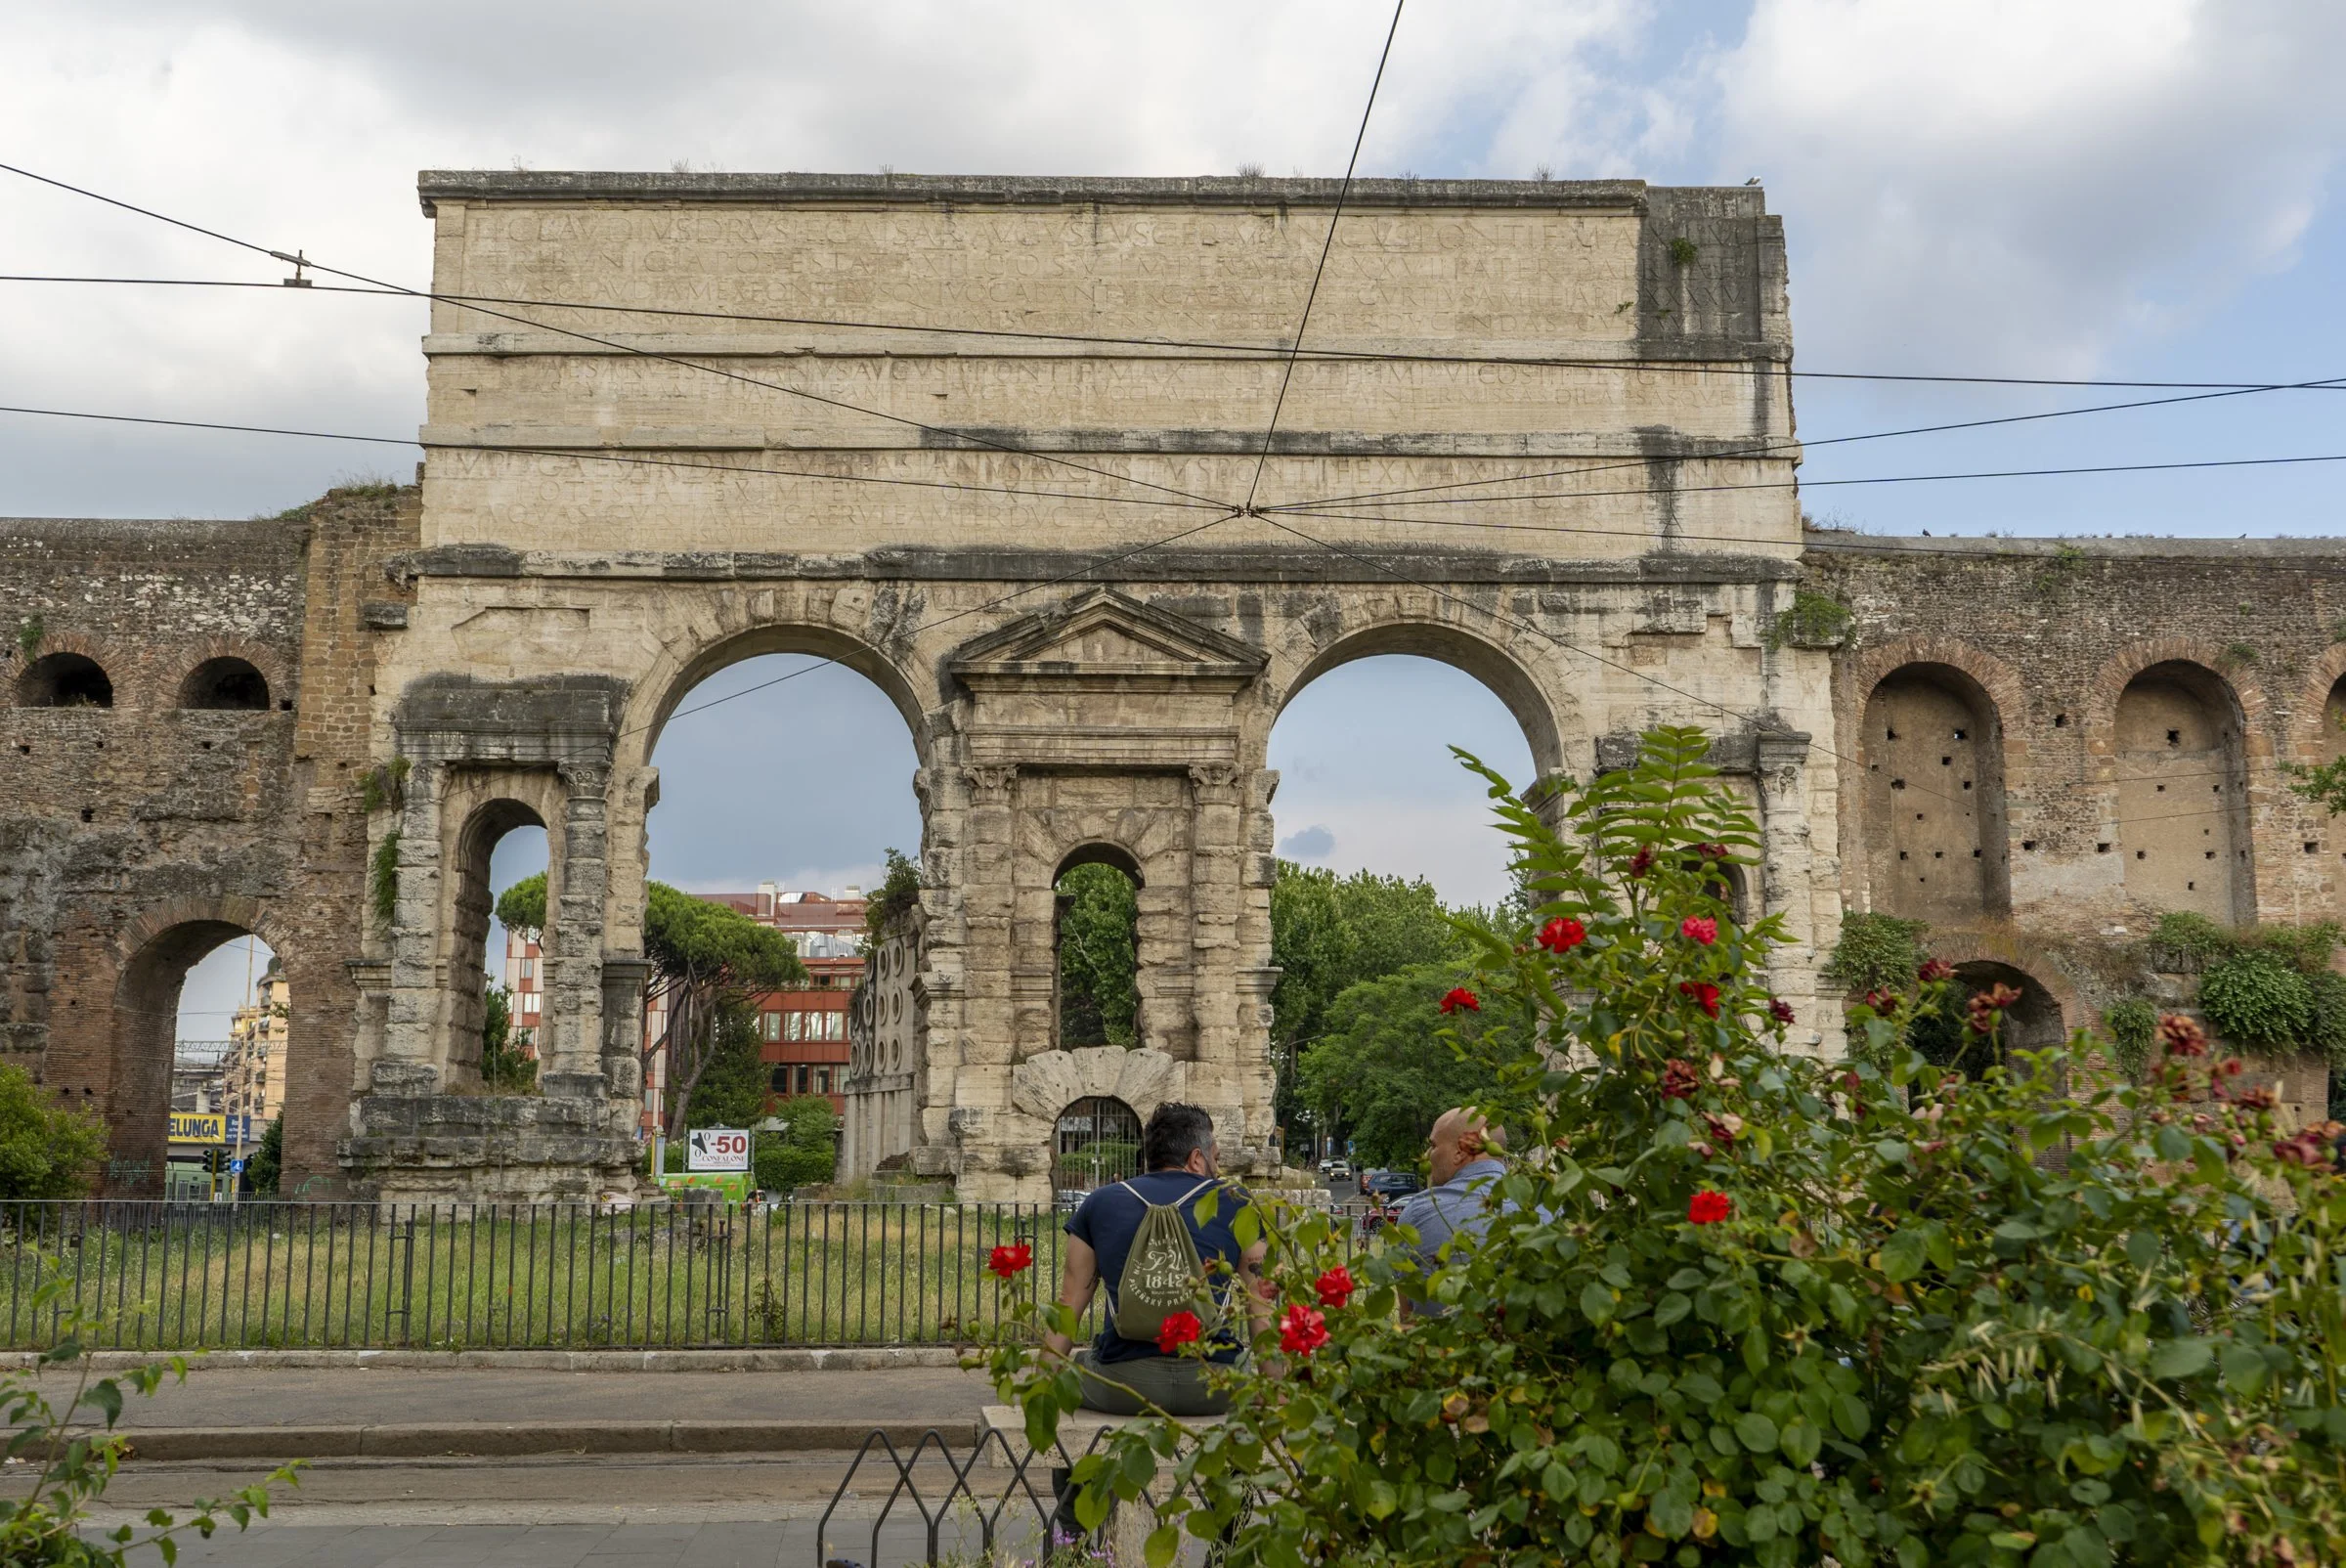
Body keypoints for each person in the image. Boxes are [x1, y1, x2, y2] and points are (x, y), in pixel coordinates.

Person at [1041, 1102, 1269, 1416]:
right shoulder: (1236, 1203)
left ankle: (1068, 1465)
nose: (1218, 1168)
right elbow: (1261, 1305)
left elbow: (1069, 1304)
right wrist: (1276, 1390)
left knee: (1078, 1366)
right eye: (1216, 1158)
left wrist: (1041, 1386)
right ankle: (1237, 1466)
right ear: (1196, 1158)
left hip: (1125, 1384)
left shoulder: (1099, 1203)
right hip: (1216, 1383)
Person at [1393, 1108, 1508, 1317]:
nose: (1428, 1155)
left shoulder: (1420, 1212)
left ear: (1461, 1151)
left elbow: (1407, 1320)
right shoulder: (1545, 1202)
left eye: (1433, 1145)